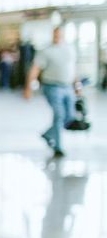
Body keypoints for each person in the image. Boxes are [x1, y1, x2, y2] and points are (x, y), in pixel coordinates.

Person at [25, 27, 77, 158]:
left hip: (68, 87)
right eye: (56, 34)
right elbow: (35, 69)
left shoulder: (70, 49)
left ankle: (48, 134)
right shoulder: (46, 51)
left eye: (60, 34)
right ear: (52, 35)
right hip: (52, 87)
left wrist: (77, 85)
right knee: (59, 115)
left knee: (70, 116)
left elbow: (73, 68)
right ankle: (58, 147)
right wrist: (28, 88)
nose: (58, 37)